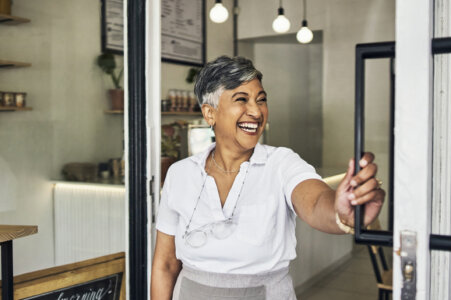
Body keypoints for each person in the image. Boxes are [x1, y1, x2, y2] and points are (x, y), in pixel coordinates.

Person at [151, 56, 385, 300]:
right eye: (242, 99)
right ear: (210, 113)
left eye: (261, 100)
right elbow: (165, 265)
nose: (256, 111)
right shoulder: (180, 173)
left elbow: (315, 203)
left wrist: (342, 212)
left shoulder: (281, 163)